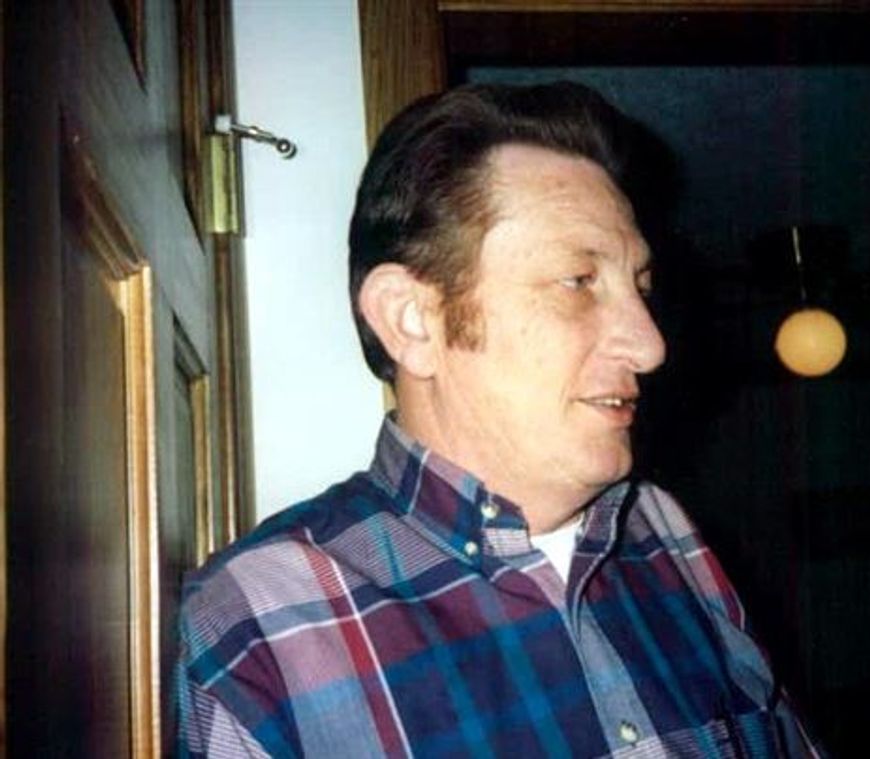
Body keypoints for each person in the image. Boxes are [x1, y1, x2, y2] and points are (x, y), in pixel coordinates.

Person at [176, 82, 824, 758]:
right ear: (412, 320)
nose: (650, 344)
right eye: (578, 282)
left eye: (640, 288)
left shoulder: (666, 533)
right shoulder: (259, 624)